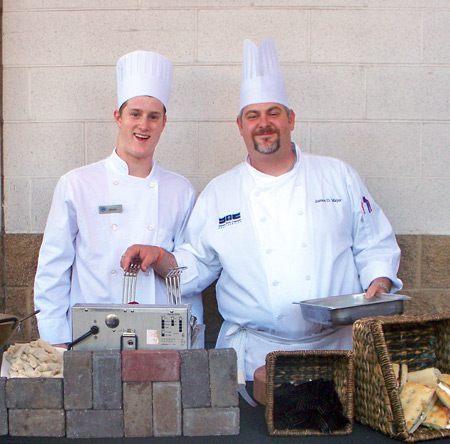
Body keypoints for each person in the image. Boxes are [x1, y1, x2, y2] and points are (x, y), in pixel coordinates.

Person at [121, 38, 402, 382]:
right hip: (253, 357)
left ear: (291, 119)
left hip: (338, 350)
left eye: (274, 113)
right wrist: (159, 255)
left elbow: (374, 243)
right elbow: (197, 264)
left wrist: (380, 280)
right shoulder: (220, 193)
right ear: (240, 126)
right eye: (253, 116)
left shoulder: (336, 175)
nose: (263, 123)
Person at [34, 50, 203, 346]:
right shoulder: (77, 184)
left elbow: (191, 270)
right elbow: (53, 269)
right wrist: (55, 340)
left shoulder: (181, 190)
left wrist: (161, 255)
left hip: (159, 339)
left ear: (164, 122)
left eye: (153, 117)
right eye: (135, 114)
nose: (144, 125)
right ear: (118, 117)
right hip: (90, 337)